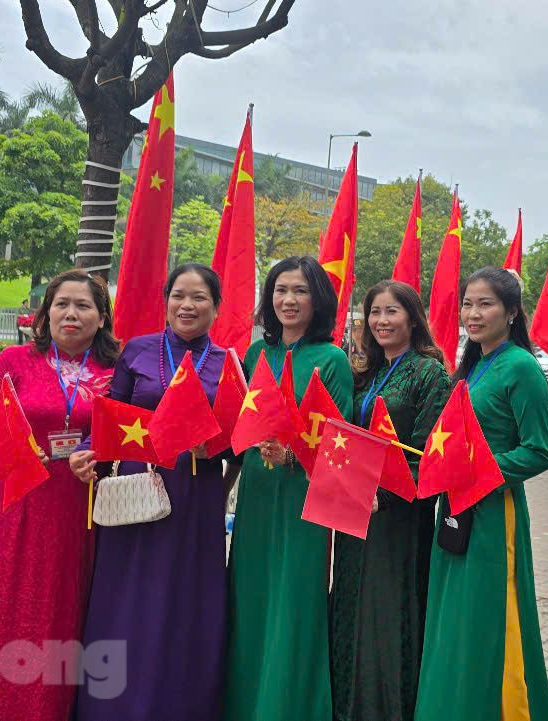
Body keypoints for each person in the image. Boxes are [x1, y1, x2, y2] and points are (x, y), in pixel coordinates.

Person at [71, 264, 232, 720]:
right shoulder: (137, 351)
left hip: (194, 496)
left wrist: (215, 439)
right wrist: (88, 455)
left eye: (199, 297)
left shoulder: (228, 363)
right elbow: (110, 417)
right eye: (179, 295)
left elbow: (239, 439)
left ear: (216, 308)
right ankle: (114, 705)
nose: (187, 305)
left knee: (183, 603)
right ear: (165, 301)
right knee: (127, 599)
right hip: (136, 493)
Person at [0, 269, 117, 721]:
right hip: (21, 505)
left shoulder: (114, 371)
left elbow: (123, 437)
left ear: (101, 317)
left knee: (64, 611)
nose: (71, 314)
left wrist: (96, 456)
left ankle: (51, 710)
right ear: (45, 312)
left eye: (83, 305)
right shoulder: (14, 361)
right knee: (9, 608)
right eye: (61, 304)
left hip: (79, 510)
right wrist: (22, 452)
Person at [415, 267, 548, 720]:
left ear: (512, 312)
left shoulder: (522, 367)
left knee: (490, 617)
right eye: (468, 305)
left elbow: (537, 452)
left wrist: (478, 470)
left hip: (495, 515)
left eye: (485, 304)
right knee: (453, 617)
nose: (472, 315)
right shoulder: (474, 364)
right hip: (455, 507)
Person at [224, 256, 354, 721]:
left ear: (317, 299)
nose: (288, 300)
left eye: (299, 291)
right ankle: (244, 704)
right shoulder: (258, 354)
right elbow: (241, 426)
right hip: (257, 494)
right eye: (280, 290)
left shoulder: (332, 359)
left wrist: (294, 458)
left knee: (295, 600)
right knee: (252, 596)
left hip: (304, 497)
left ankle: (288, 706)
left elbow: (340, 443)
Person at [331, 280, 451, 721]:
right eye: (375, 313)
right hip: (353, 508)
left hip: (398, 514)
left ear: (412, 318)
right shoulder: (364, 372)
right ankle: (345, 705)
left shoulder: (429, 373)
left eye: (392, 312)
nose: (382, 321)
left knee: (386, 611)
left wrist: (387, 496)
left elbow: (428, 454)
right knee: (348, 599)